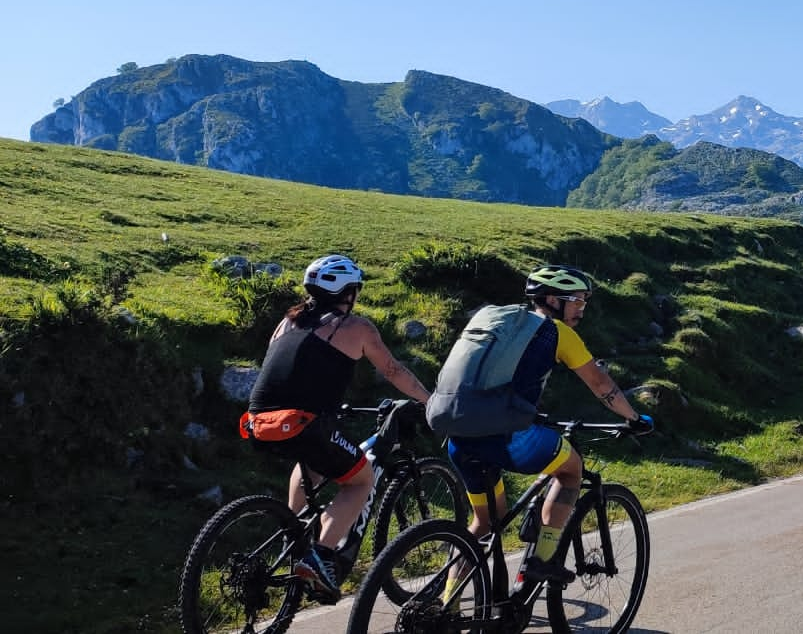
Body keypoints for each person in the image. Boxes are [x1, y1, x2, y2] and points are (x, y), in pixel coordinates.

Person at [444, 264, 653, 584]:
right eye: (577, 301)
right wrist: (634, 418)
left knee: (485, 523)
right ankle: (543, 560)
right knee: (571, 469)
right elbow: (600, 384)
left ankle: (446, 605)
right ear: (554, 300)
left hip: (458, 432)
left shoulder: (500, 321)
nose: (581, 311)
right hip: (506, 436)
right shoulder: (559, 333)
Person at [242, 255, 432, 597]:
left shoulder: (287, 321)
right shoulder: (354, 327)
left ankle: (294, 533)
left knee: (311, 463)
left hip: (260, 422)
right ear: (348, 291)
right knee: (361, 481)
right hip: (307, 423)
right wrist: (428, 401)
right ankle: (319, 557)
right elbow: (392, 370)